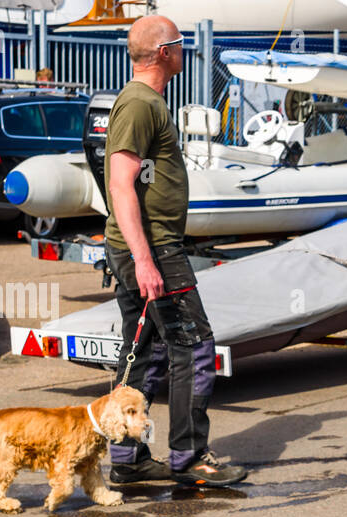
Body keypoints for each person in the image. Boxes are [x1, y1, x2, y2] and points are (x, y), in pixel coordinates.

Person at [103, 16, 247, 487]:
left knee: (143, 352)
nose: (185, 49)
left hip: (145, 246)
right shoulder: (140, 104)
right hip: (152, 249)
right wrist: (145, 260)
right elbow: (120, 186)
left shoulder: (146, 102)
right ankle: (190, 457)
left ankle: (127, 457)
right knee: (195, 347)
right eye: (181, 43)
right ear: (165, 52)